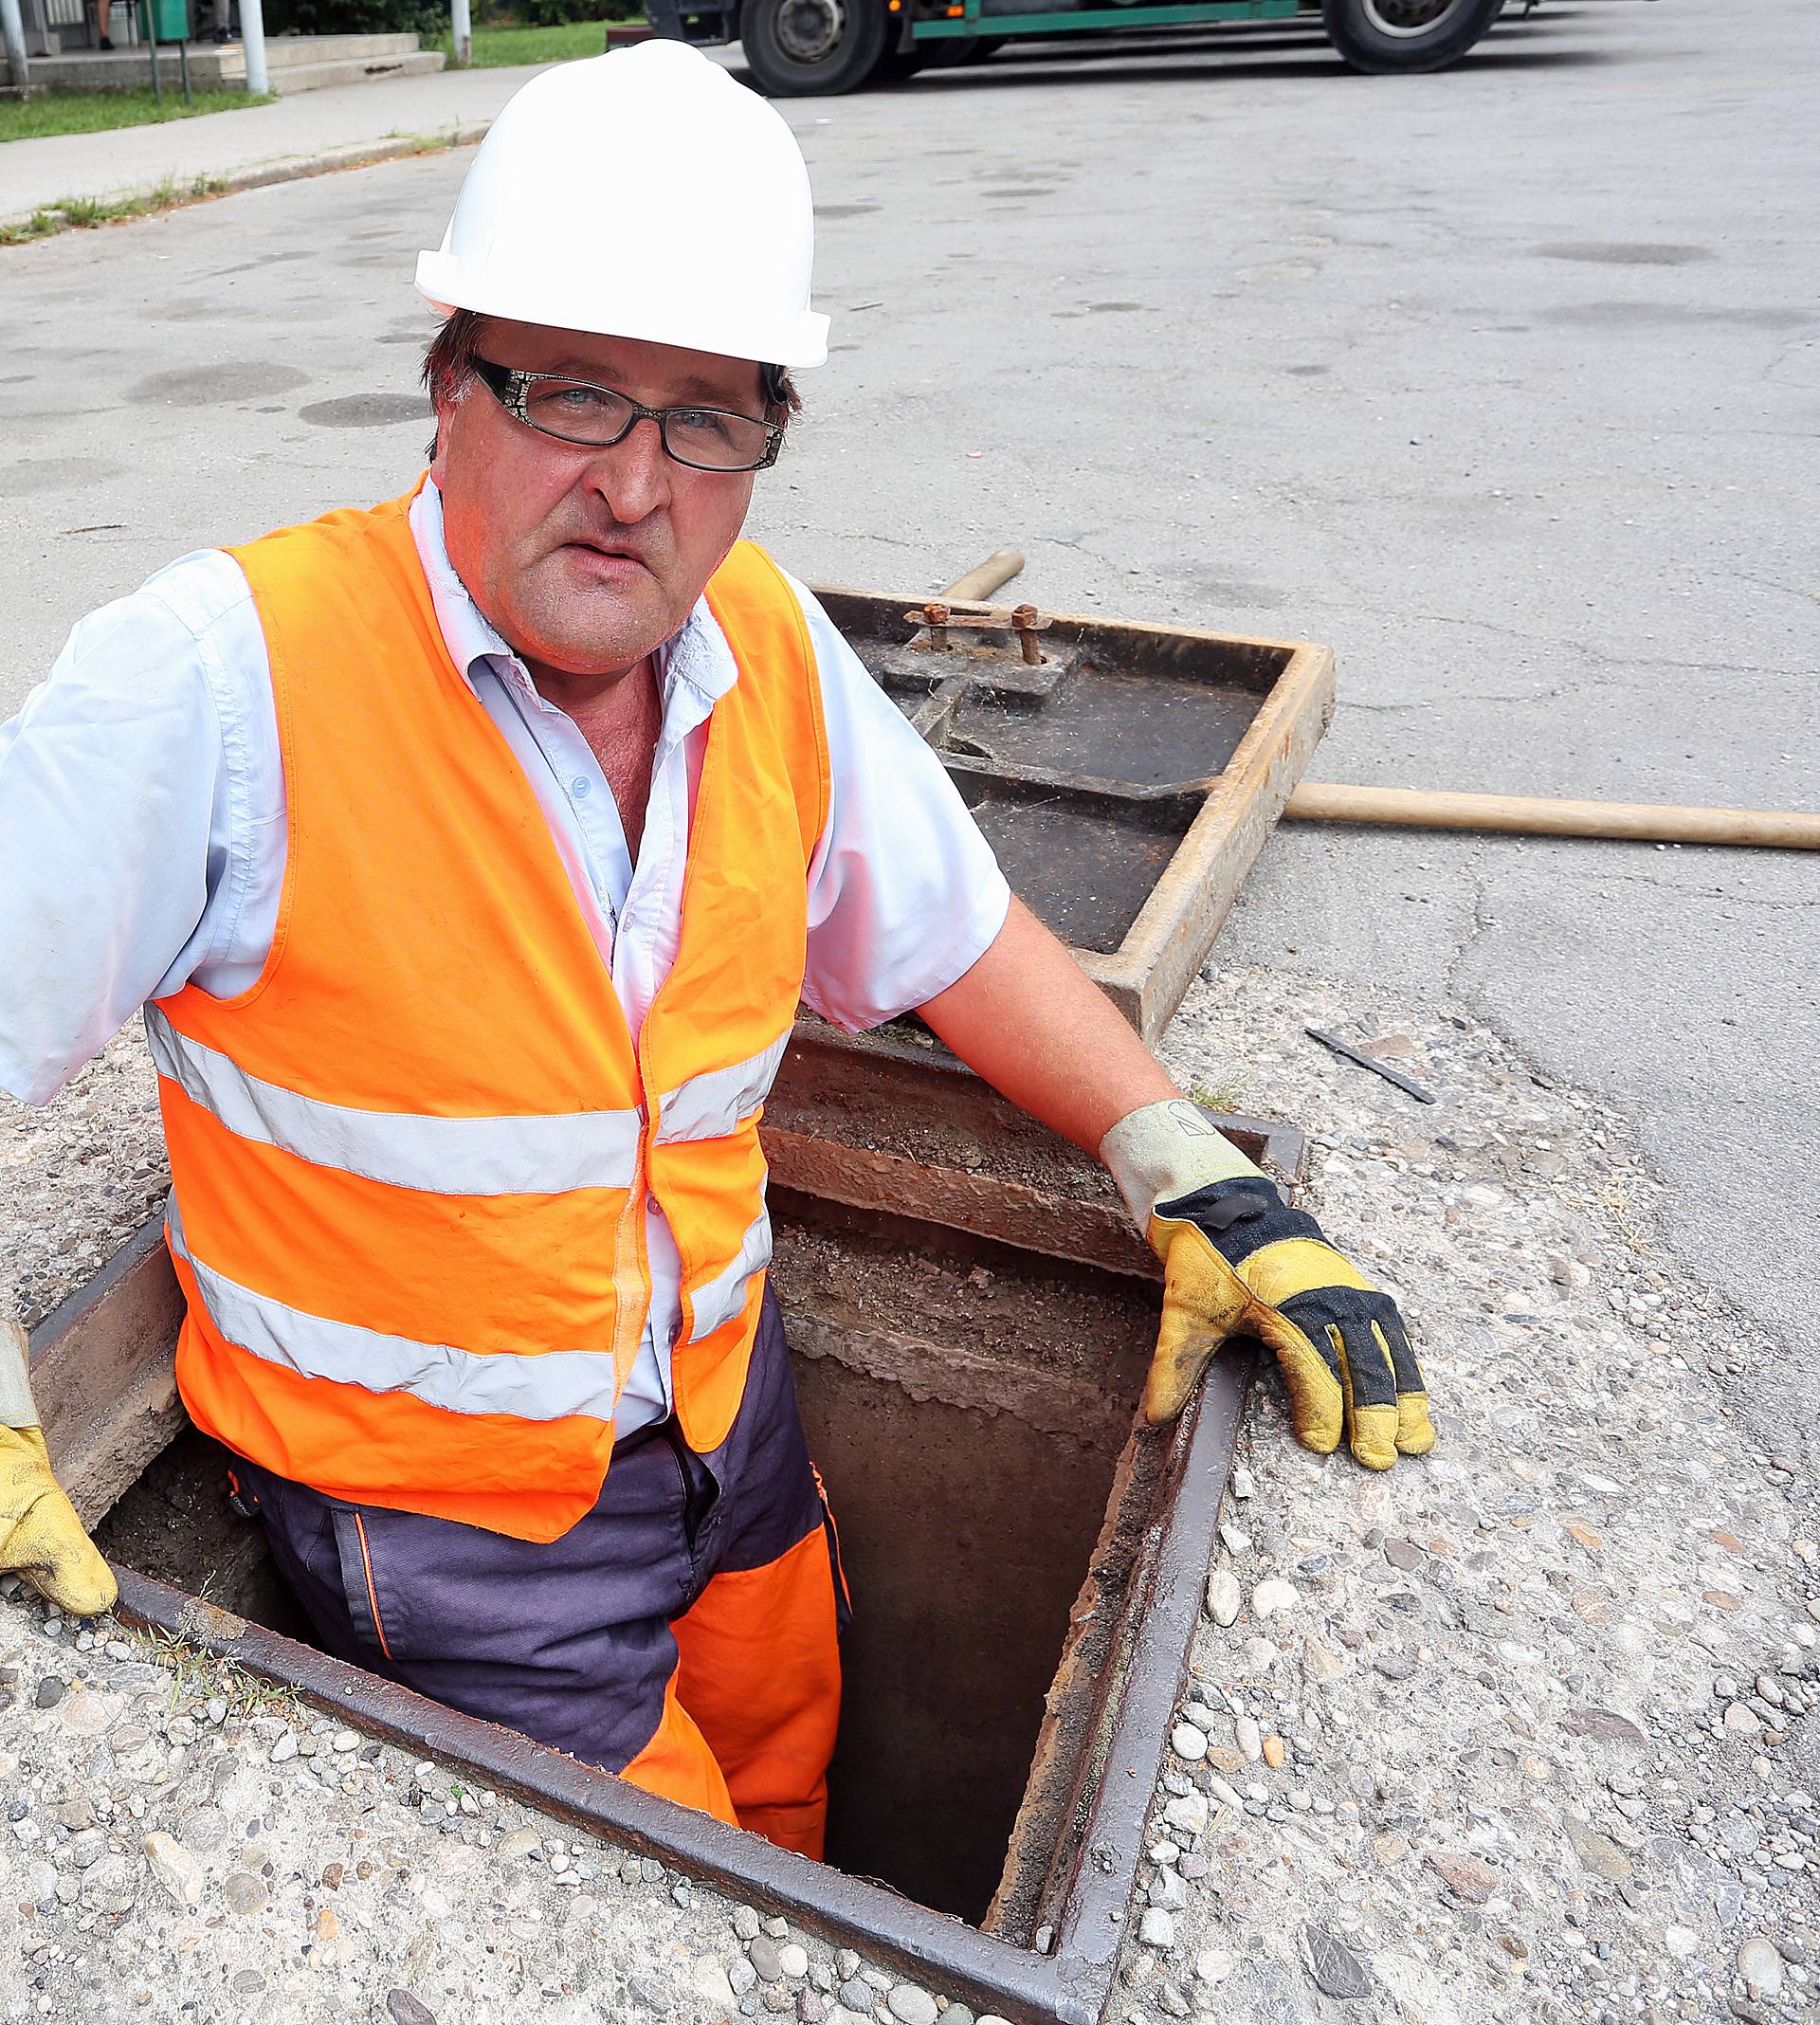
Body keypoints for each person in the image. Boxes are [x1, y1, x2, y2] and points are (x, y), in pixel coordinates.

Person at [0, 45, 1432, 1857]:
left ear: (764, 440)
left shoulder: (761, 642)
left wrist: (1190, 1172)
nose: (637, 482)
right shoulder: (216, 680)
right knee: (702, 1908)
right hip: (442, 1526)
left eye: (708, 419)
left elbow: (952, 932)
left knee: (792, 1783)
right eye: (573, 395)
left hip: (723, 1419)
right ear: (447, 387)